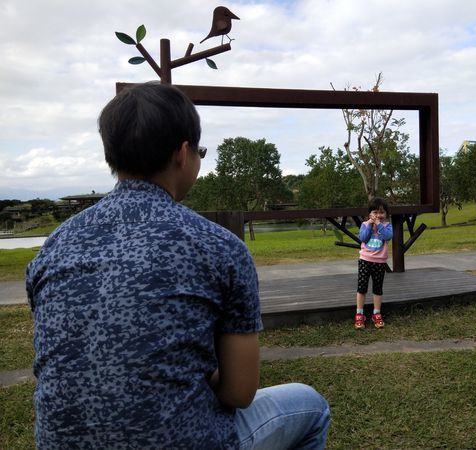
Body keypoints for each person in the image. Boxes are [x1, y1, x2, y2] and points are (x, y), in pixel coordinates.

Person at [26, 83, 330, 450]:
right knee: (311, 405)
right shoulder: (219, 247)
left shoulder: (54, 247)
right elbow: (239, 392)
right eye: (201, 151)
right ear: (183, 154)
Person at [354, 197, 393, 330]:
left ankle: (376, 313)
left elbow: (388, 236)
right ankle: (360, 314)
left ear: (386, 214)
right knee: (361, 288)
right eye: (375, 212)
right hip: (365, 260)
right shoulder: (365, 225)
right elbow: (363, 238)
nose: (378, 215)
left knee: (377, 288)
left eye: (381, 212)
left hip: (379, 262)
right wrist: (371, 224)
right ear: (369, 214)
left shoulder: (387, 226)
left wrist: (379, 224)